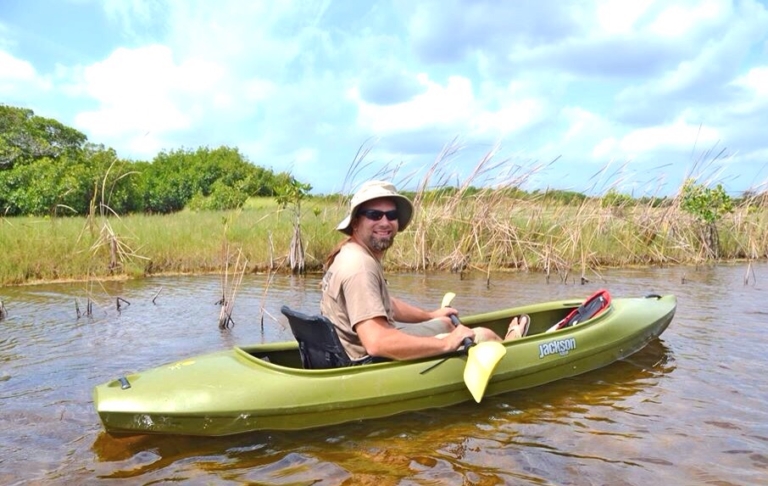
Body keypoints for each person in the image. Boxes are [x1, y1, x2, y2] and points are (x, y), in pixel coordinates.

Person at [320, 180, 529, 362]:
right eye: (375, 215)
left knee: (447, 323)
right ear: (356, 222)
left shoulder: (350, 253)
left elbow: (386, 304)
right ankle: (513, 349)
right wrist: (447, 344)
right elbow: (376, 342)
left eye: (391, 215)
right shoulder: (360, 267)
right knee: (484, 335)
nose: (385, 222)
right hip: (371, 359)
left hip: (353, 350)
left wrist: (430, 315)